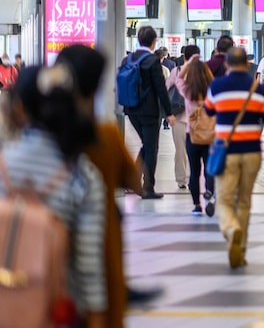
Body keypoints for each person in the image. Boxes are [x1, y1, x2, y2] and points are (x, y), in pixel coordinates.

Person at [1, 65, 107, 327]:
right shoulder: (82, 176)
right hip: (59, 311)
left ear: (19, 108)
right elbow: (89, 267)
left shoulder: (3, 166)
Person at [61, 45, 142, 328]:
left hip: (49, 249)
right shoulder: (104, 135)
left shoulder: (42, 138)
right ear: (97, 86)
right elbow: (135, 182)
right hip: (102, 241)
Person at [205, 47, 264, 269]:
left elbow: (209, 112)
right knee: (244, 201)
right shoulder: (259, 89)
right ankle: (242, 250)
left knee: (225, 199)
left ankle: (231, 230)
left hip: (226, 152)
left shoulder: (217, 86)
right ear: (247, 65)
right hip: (251, 153)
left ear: (227, 64)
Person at [120, 25, 173, 200]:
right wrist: (169, 113)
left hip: (131, 109)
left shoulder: (128, 59)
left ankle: (131, 179)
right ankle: (148, 187)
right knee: (151, 148)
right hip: (149, 112)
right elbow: (161, 89)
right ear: (153, 42)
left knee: (147, 145)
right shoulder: (152, 60)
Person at [176, 50, 216, 216]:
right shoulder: (213, 89)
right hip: (210, 135)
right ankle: (209, 195)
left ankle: (196, 206)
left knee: (194, 171)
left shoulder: (188, 91)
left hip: (191, 135)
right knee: (209, 169)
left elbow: (178, 79)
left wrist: (189, 64)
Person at [163, 55, 190, 191]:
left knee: (180, 149)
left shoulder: (177, 71)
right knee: (195, 149)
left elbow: (166, 87)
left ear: (184, 57)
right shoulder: (202, 71)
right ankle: (192, 177)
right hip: (196, 117)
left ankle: (181, 179)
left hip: (178, 115)